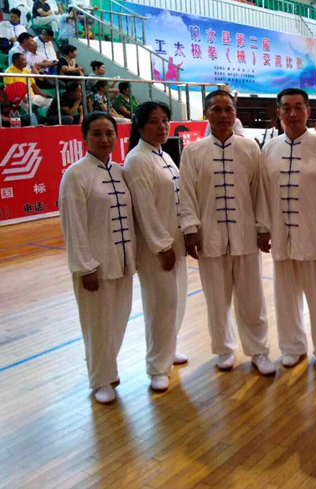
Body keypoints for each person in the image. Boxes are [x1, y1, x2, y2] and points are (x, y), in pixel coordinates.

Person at [178, 90, 273, 374]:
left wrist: (263, 227)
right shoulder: (193, 152)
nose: (223, 115)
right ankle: (224, 349)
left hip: (245, 236)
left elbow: (259, 192)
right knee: (217, 301)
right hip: (210, 238)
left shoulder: (250, 148)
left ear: (235, 114)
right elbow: (186, 194)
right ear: (206, 114)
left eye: (228, 110)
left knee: (252, 299)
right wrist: (190, 230)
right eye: (216, 110)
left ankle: (259, 350)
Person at [258, 88, 316, 372]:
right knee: (285, 297)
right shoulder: (269, 149)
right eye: (286, 108)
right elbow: (262, 194)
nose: (292, 113)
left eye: (298, 107)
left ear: (308, 111)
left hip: (315, 233)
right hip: (281, 234)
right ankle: (292, 347)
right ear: (278, 112)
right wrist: (263, 228)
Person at [59, 112, 135, 405]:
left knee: (118, 320)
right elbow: (73, 225)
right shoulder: (75, 175)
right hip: (95, 267)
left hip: (123, 262)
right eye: (97, 133)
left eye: (109, 133)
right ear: (84, 138)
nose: (104, 139)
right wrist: (85, 267)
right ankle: (100, 379)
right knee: (97, 325)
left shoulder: (120, 171)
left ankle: (107, 369)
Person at [123, 102, 189, 393]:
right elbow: (145, 209)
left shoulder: (164, 155)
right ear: (139, 127)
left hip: (176, 244)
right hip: (157, 250)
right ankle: (157, 367)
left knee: (176, 302)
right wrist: (161, 246)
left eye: (165, 120)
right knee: (159, 307)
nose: (162, 126)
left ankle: (168, 349)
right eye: (153, 121)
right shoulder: (137, 160)